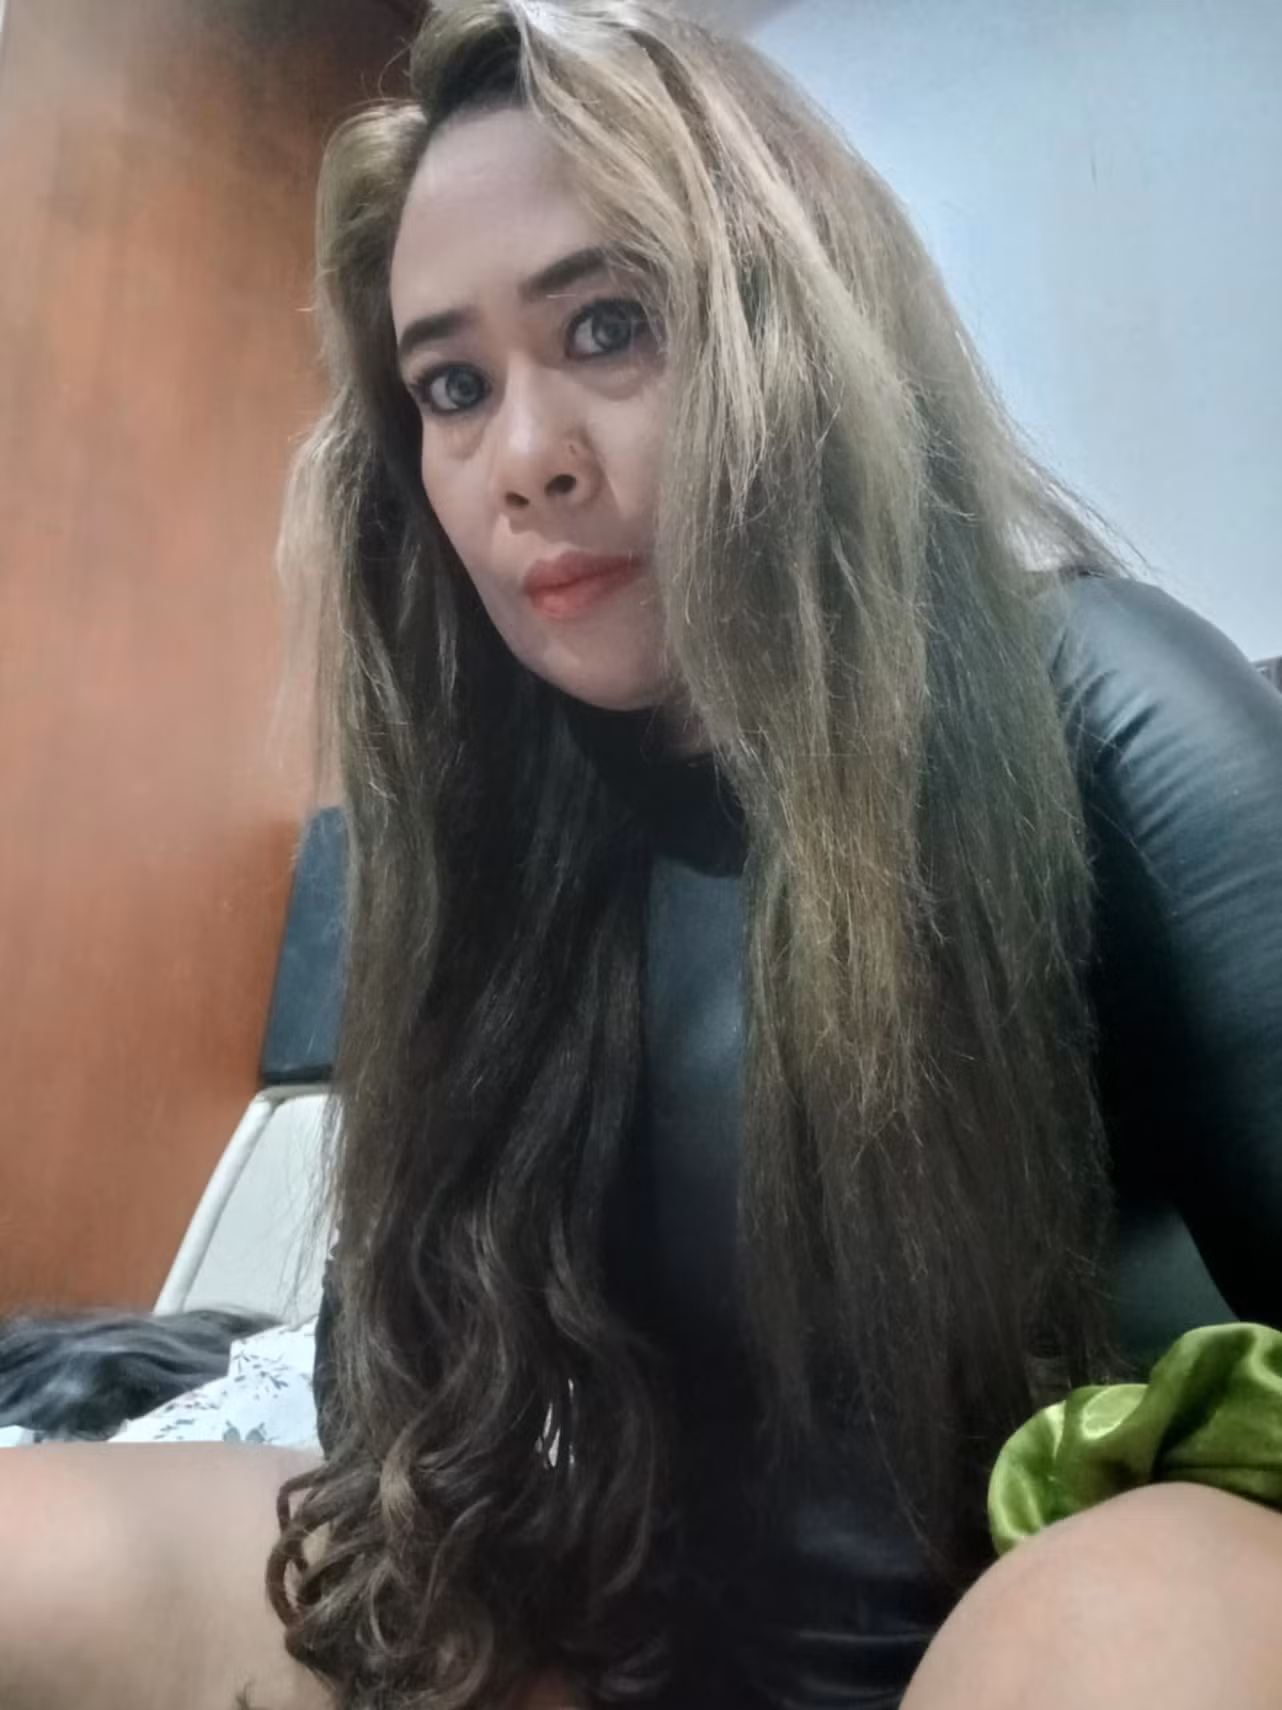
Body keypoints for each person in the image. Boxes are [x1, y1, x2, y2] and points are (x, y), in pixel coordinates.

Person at [1, 2, 1281, 1707]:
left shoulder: (1095, 710)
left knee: (1139, 1597)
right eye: (452, 386)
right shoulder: (488, 843)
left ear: (789, 326)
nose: (523, 458)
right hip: (617, 1653)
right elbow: (398, 1402)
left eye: (607, 326)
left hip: (1036, 1633)